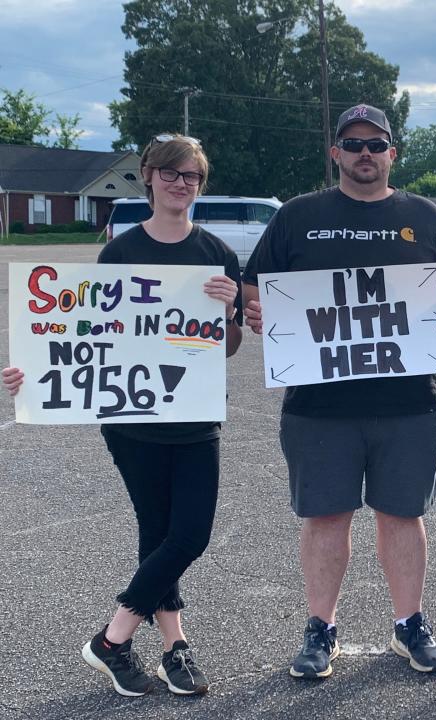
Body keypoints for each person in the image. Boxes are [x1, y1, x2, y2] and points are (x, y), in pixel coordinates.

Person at [3, 133, 243, 697]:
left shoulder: (217, 255)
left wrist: (228, 309)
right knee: (160, 533)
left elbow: (226, 347)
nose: (181, 184)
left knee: (188, 534)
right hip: (132, 421)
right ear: (149, 177)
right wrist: (30, 373)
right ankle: (172, 648)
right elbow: (85, 329)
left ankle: (112, 640)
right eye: (171, 173)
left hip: (193, 415)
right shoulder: (120, 252)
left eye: (192, 177)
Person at [242, 104, 436, 678]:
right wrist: (255, 309)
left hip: (409, 402)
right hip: (319, 406)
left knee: (403, 517)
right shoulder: (297, 217)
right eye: (353, 143)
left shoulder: (426, 216)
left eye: (376, 143)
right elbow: (252, 290)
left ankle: (409, 625)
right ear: (336, 152)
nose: (365, 153)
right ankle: (322, 630)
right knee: (325, 519)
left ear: (393, 153)